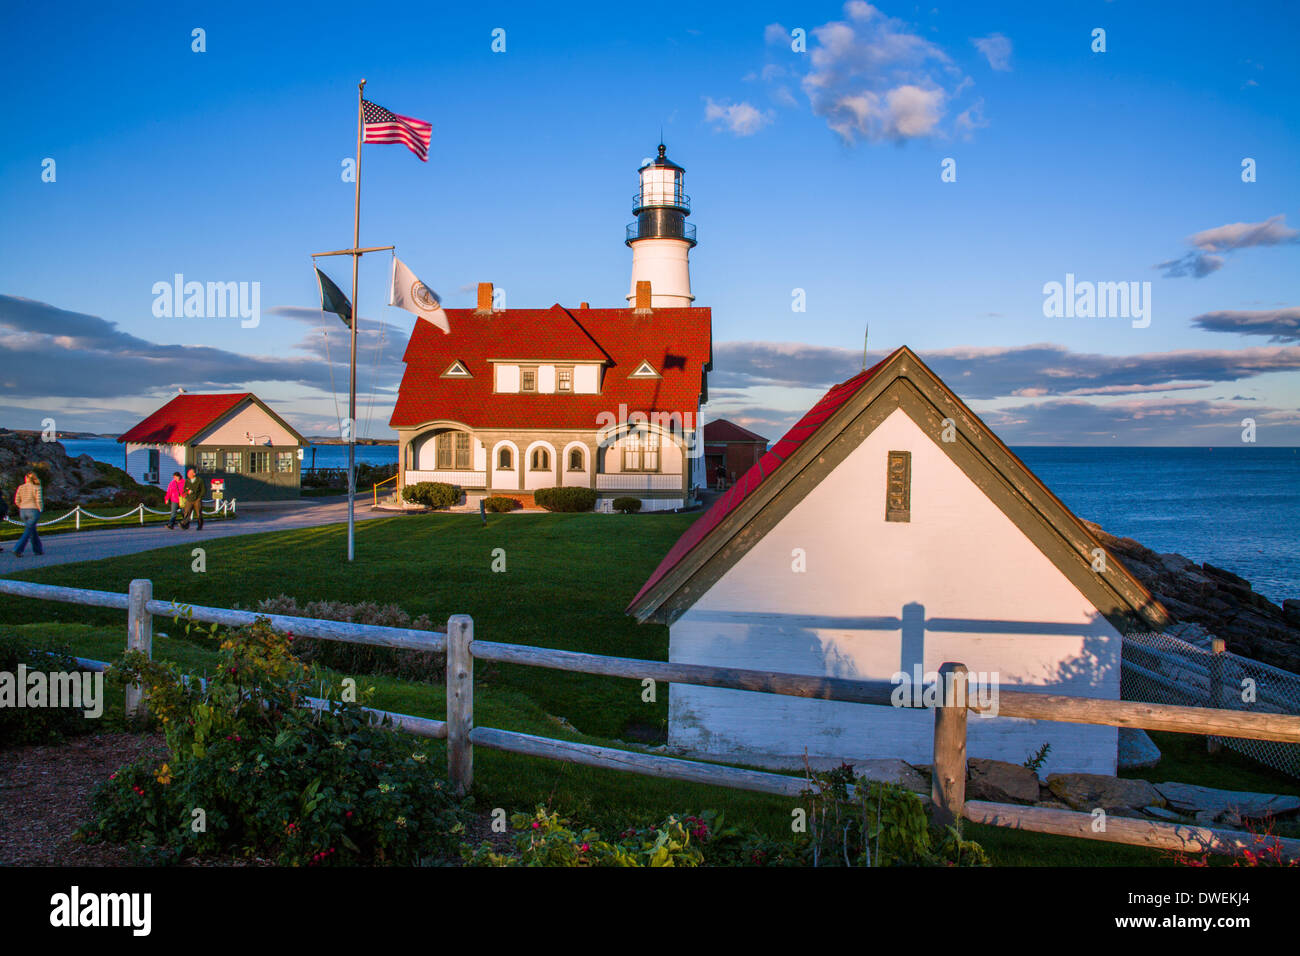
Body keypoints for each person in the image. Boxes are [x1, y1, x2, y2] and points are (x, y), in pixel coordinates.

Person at [13, 471, 45, 557]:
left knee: (32, 530)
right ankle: (18, 549)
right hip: (33, 510)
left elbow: (16, 500)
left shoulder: (21, 487)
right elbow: (39, 500)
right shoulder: (37, 487)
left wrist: (21, 506)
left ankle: (38, 550)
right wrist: (40, 509)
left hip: (23, 511)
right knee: (28, 531)